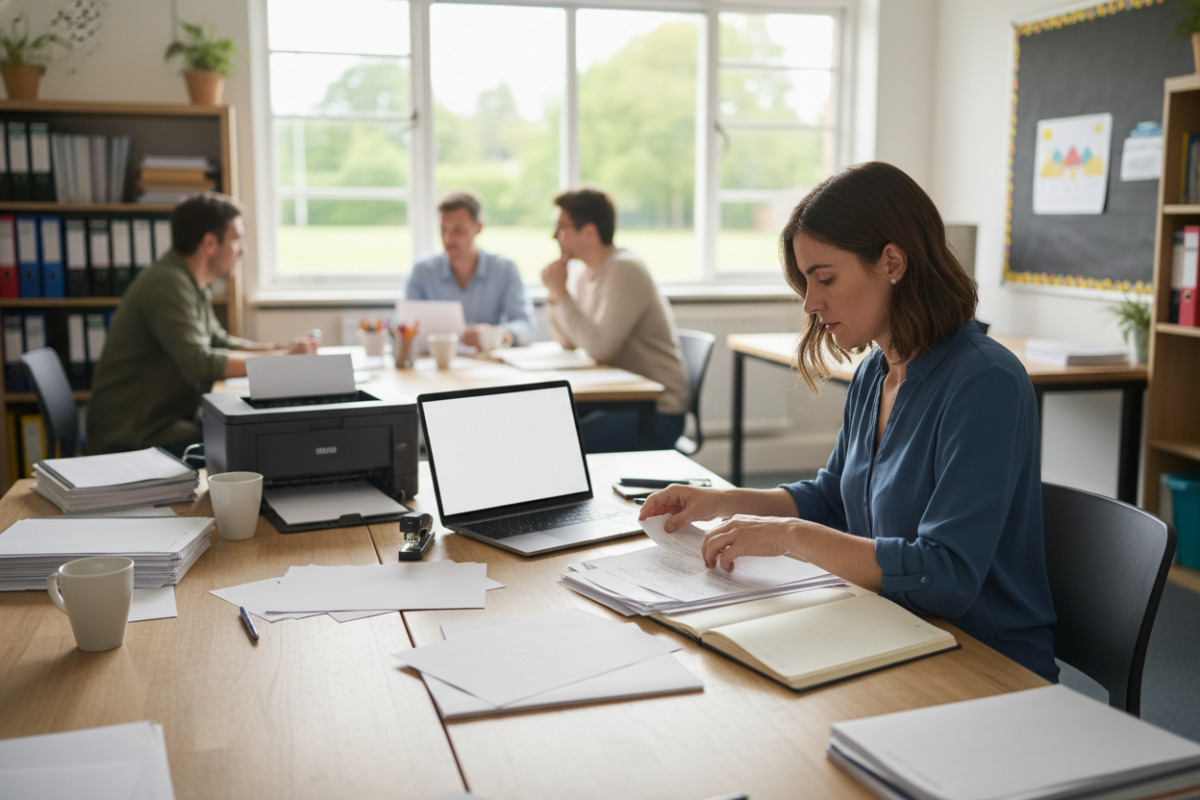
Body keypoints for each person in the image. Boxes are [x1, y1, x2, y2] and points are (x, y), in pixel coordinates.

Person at [639, 162, 1059, 682]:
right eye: (807, 283)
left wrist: (790, 536)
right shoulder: (874, 372)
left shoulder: (985, 382)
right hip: (891, 628)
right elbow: (834, 498)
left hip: (981, 660)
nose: (812, 304)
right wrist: (724, 501)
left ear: (891, 262)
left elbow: (946, 575)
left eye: (826, 279)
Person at [86, 193, 319, 457]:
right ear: (209, 243)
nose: (242, 250)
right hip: (133, 436)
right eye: (237, 239)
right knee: (249, 444)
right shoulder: (167, 285)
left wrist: (281, 348)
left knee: (245, 432)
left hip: (161, 422)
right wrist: (283, 358)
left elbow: (218, 341)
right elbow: (198, 362)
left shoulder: (188, 283)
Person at [541, 187, 688, 452]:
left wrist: (562, 293)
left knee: (559, 444)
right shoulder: (587, 273)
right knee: (546, 426)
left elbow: (600, 348)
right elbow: (568, 341)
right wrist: (555, 294)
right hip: (618, 401)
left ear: (589, 232)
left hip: (655, 413)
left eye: (561, 227)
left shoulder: (624, 269)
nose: (554, 236)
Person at [405, 190, 535, 349]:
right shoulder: (423, 270)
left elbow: (525, 324)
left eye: (458, 230)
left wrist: (500, 334)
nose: (448, 238)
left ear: (478, 228)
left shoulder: (504, 269)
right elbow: (404, 324)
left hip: (486, 364)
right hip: (435, 364)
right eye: (443, 230)